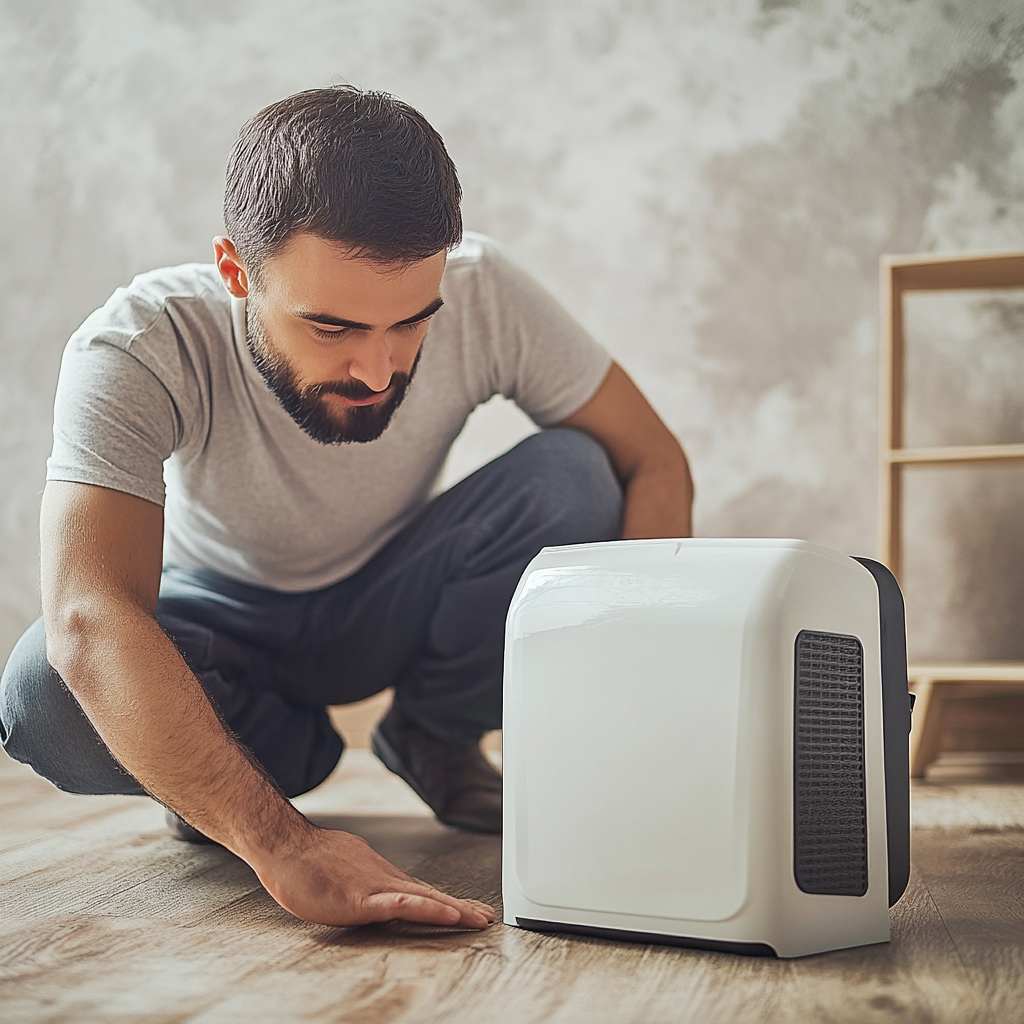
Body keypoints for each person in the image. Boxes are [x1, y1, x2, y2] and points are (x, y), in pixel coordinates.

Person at [0, 86, 693, 932]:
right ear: (235, 274)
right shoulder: (139, 343)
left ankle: (433, 734)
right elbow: (88, 614)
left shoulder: (488, 291)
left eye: (411, 324)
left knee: (578, 474)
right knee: (43, 688)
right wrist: (278, 842)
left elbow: (655, 460)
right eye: (330, 327)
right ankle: (248, 773)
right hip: (222, 636)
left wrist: (643, 707)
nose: (378, 370)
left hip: (389, 602)